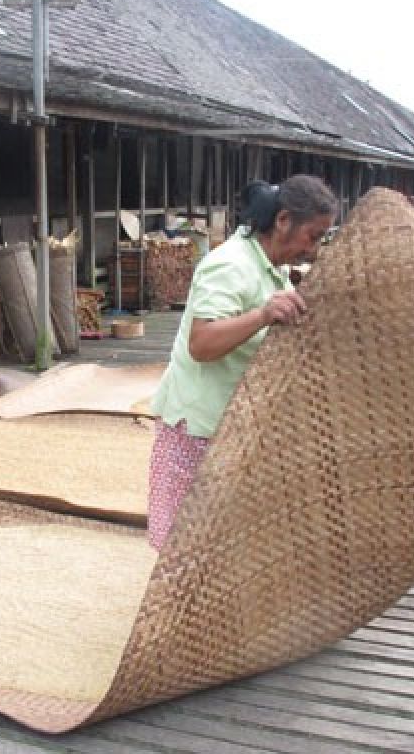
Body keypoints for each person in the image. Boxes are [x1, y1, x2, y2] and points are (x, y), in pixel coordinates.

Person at [145, 174, 338, 549]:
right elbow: (201, 343)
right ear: (283, 221)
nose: (313, 250)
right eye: (312, 236)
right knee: (189, 545)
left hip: (233, 424)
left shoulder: (271, 265)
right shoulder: (231, 264)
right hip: (200, 427)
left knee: (221, 544)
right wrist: (263, 316)